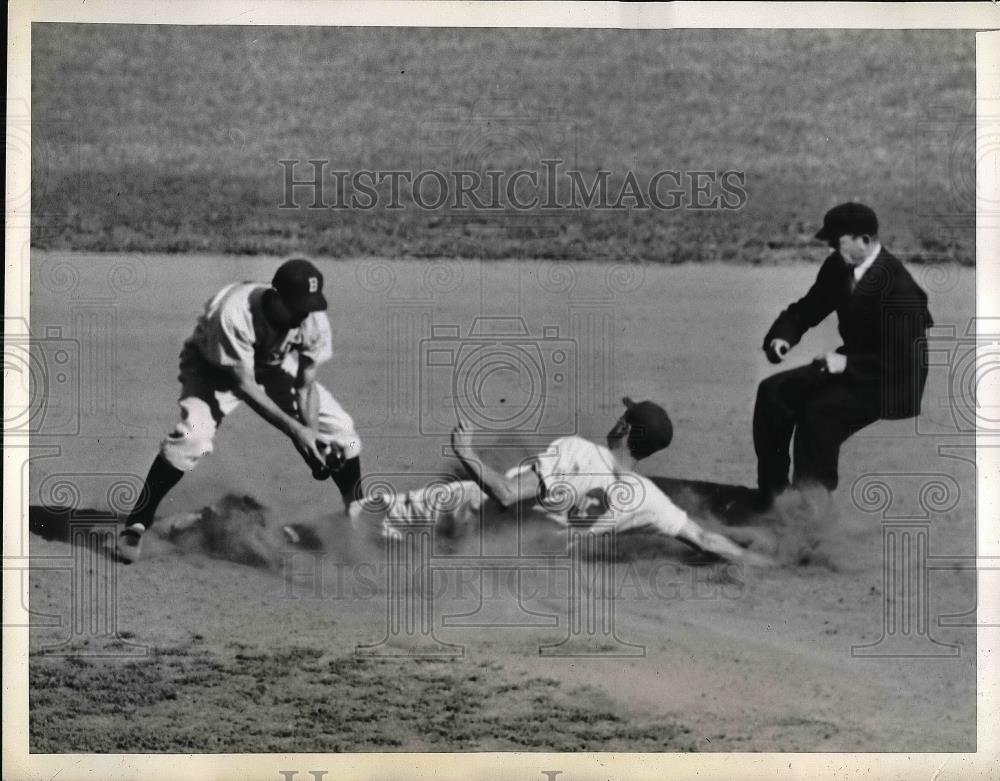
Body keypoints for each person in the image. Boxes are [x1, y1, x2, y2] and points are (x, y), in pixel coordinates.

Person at [116, 258, 362, 563]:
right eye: (297, 307)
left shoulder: (311, 318)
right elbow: (244, 385)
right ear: (276, 296)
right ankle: (138, 522)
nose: (304, 314)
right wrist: (297, 431)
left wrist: (311, 437)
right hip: (212, 368)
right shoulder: (234, 313)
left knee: (341, 430)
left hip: (271, 366)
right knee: (192, 438)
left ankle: (357, 512)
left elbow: (305, 385)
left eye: (308, 307)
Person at [350, 397, 774, 567]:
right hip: (502, 554)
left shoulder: (579, 452)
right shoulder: (647, 499)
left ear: (624, 428)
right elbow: (706, 540)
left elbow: (505, 493)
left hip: (464, 510)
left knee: (356, 521)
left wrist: (467, 453)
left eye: (623, 416)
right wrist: (764, 565)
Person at [753, 202, 933, 506]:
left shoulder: (900, 290)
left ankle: (813, 510)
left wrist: (847, 363)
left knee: (818, 413)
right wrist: (783, 336)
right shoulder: (839, 267)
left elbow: (906, 363)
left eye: (837, 242)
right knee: (773, 391)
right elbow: (808, 308)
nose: (831, 250)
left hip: (891, 382)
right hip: (851, 365)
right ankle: (773, 497)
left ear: (865, 240)